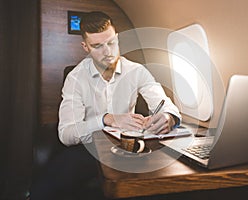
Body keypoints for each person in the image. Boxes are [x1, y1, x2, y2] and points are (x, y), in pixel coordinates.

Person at [30, 11, 181, 199]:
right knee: (43, 191)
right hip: (87, 150)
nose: (107, 52)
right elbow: (67, 134)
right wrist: (106, 119)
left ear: (117, 37)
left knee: (165, 186)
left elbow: (164, 103)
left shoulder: (136, 71)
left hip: (129, 148)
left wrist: (169, 117)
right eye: (97, 46)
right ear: (85, 47)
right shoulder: (75, 78)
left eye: (111, 43)